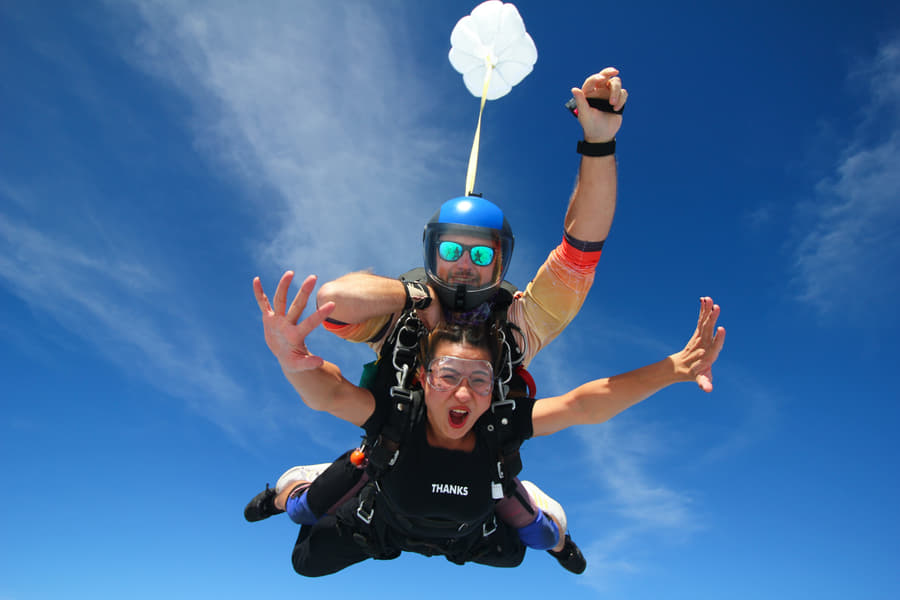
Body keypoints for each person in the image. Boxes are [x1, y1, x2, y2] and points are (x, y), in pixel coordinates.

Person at [251, 272, 725, 576]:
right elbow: (331, 392)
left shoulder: (500, 423)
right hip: (383, 522)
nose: (463, 393)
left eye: (479, 379)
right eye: (448, 376)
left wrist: (674, 369)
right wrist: (293, 362)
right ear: (422, 377)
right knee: (305, 545)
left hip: (467, 532)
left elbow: (584, 404)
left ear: (494, 385)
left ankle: (543, 518)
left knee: (534, 541)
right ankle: (292, 487)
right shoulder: (399, 414)